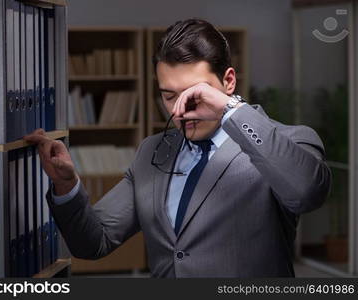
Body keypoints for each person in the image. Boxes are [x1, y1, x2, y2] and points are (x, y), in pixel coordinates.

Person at [24, 19, 331, 277]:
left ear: (228, 81)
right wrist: (65, 185)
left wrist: (230, 110)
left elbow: (307, 192)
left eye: (196, 93)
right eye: (169, 95)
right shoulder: (152, 152)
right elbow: (94, 242)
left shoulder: (286, 140)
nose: (181, 109)